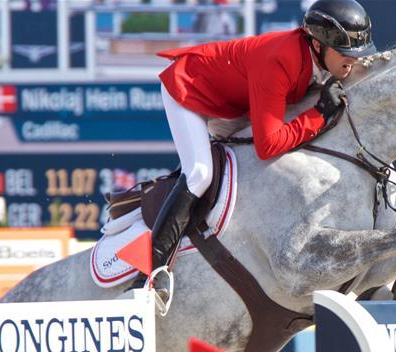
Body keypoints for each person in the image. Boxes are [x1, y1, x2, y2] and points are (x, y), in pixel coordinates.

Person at [150, 0, 376, 270]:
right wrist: (319, 115)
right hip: (189, 88)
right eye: (344, 52)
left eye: (356, 52)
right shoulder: (280, 60)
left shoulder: (319, 60)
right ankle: (151, 270)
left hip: (233, 104)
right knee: (200, 173)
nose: (353, 60)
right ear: (318, 45)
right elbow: (267, 145)